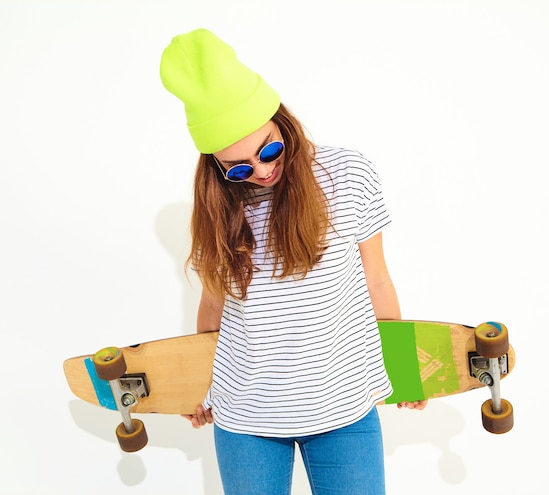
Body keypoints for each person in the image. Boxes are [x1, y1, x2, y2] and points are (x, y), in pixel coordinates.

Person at [160, 28, 427, 495]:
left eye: (268, 149)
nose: (262, 171)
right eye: (240, 168)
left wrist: (404, 371)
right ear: (218, 170)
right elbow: (212, 308)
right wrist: (191, 383)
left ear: (281, 120)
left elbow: (378, 282)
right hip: (246, 417)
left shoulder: (347, 176)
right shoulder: (218, 211)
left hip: (344, 407)